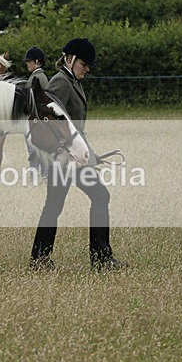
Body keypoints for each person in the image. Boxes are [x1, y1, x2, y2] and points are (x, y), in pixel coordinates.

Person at [29, 38, 126, 272]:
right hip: (65, 159)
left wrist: (89, 153)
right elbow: (49, 119)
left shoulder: (72, 80)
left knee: (54, 206)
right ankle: (100, 258)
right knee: (100, 197)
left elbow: (74, 127)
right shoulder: (61, 83)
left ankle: (39, 259)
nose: (87, 69)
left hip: (74, 156)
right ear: (69, 59)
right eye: (84, 64)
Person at [23, 47, 48, 175]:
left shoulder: (36, 78)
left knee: (34, 154)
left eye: (29, 61)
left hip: (35, 122)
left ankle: (36, 179)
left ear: (37, 61)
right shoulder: (40, 76)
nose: (27, 63)